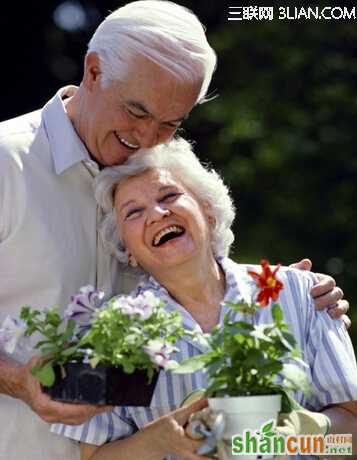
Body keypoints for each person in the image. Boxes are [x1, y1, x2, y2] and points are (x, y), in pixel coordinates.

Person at [0, 1, 347, 460]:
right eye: (137, 111)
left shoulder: (154, 176)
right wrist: (19, 379)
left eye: (169, 124)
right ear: (94, 70)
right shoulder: (7, 164)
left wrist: (291, 295)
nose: (146, 139)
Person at [52, 138, 357, 460]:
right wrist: (158, 441)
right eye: (133, 212)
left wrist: (303, 430)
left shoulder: (302, 293)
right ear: (126, 250)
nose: (156, 214)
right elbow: (93, 457)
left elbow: (351, 441)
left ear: (208, 212)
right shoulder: (108, 333)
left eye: (169, 196)